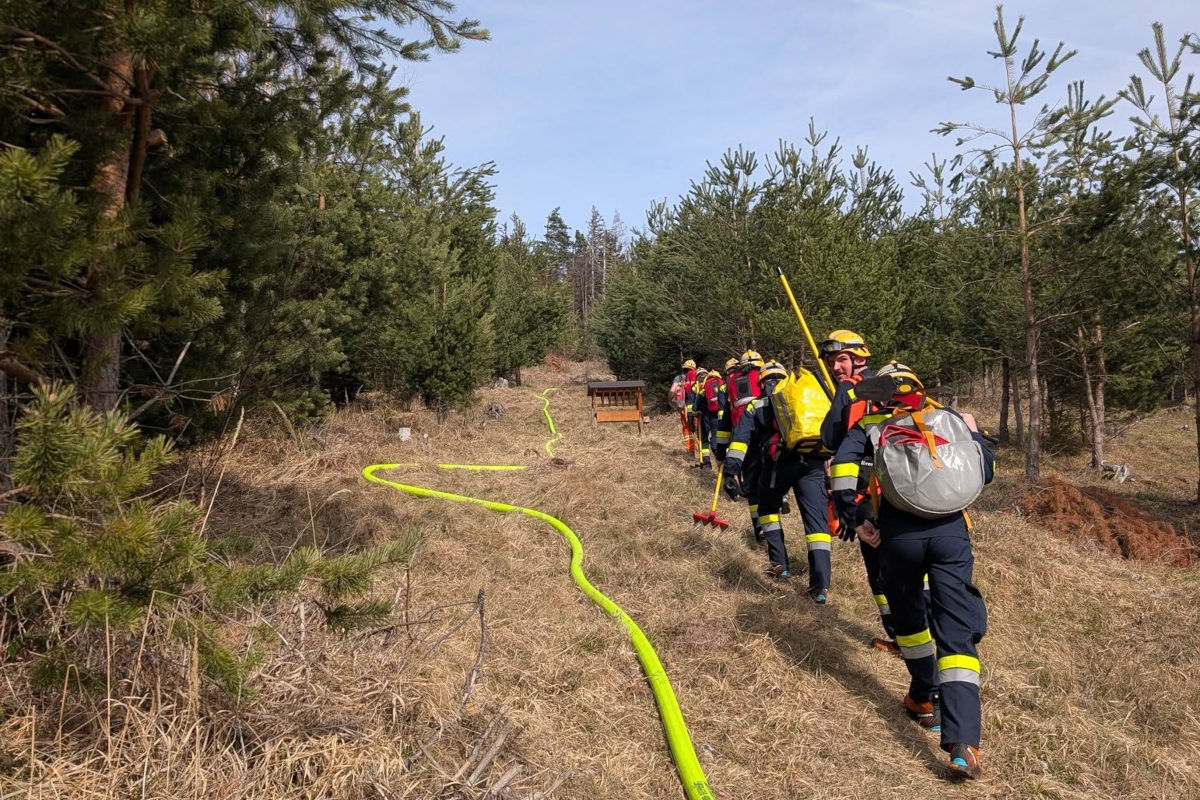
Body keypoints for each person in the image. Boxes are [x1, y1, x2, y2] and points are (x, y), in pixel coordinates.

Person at [830, 362, 993, 779]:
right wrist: (973, 433)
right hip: (951, 532)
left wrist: (854, 518)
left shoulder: (869, 425)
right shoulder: (951, 419)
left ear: (883, 394)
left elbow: (843, 473)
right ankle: (963, 743)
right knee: (954, 631)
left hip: (897, 537)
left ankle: (923, 694)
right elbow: (984, 471)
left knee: (909, 620)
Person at [818, 330, 906, 655]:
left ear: (860, 358)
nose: (836, 367)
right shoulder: (886, 385)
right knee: (891, 570)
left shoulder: (856, 392)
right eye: (832, 362)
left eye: (841, 360)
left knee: (882, 573)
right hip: (889, 492)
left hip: (873, 496)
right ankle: (907, 634)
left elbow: (829, 437)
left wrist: (851, 508)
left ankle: (905, 638)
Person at [724, 361, 833, 600]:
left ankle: (779, 564)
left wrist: (730, 471)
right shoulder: (803, 398)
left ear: (761, 383)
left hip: (777, 465)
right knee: (816, 524)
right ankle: (820, 585)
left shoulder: (756, 404)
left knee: (767, 508)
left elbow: (741, 439)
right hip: (812, 462)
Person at [715, 351, 766, 544]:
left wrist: (721, 454)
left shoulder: (731, 384)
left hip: (742, 440)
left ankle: (760, 529)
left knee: (752, 489)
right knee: (769, 482)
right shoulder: (766, 377)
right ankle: (781, 500)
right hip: (768, 438)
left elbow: (725, 423)